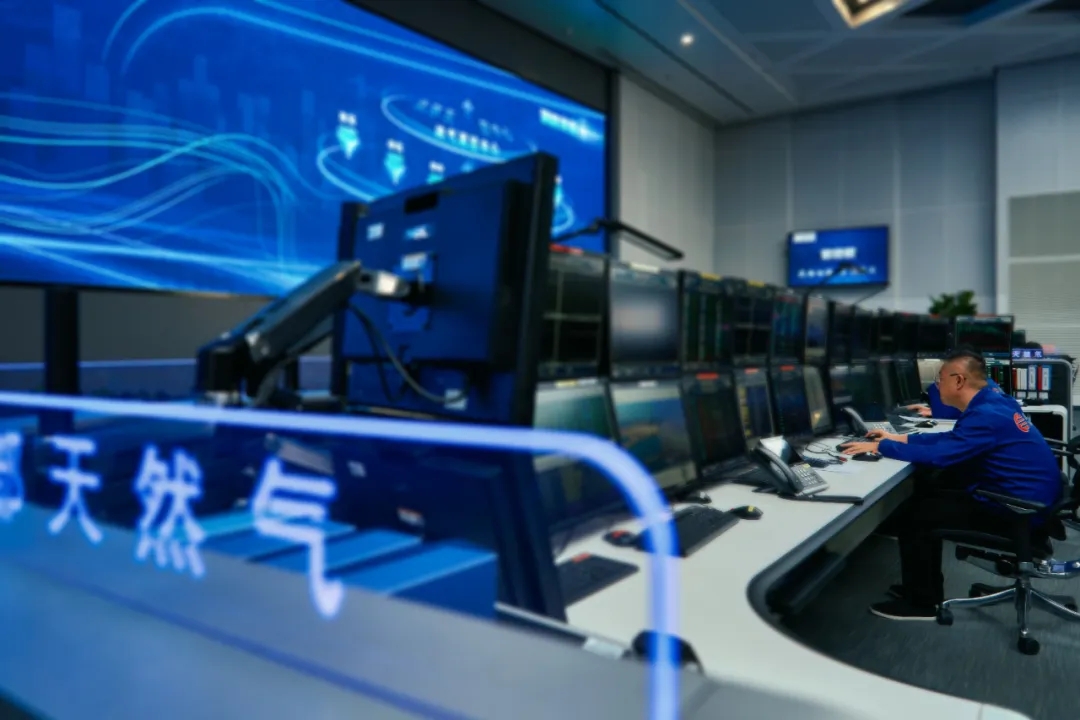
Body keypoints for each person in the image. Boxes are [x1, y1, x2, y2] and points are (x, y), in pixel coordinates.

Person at [840, 348, 1062, 620]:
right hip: (1027, 500)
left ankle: (921, 603)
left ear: (958, 381)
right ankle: (923, 589)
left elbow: (941, 455)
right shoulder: (993, 402)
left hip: (1017, 510)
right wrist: (897, 439)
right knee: (929, 495)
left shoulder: (985, 414)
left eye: (939, 379)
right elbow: (951, 440)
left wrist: (881, 447)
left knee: (916, 515)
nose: (936, 386)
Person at [903, 346, 1011, 420]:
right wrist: (932, 411)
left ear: (959, 380)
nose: (939, 383)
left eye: (941, 378)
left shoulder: (981, 416)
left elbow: (944, 417)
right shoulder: (989, 391)